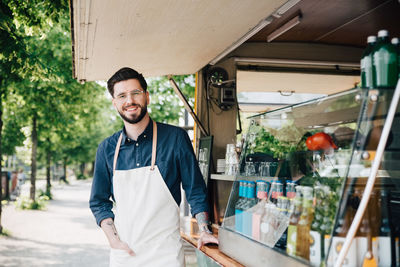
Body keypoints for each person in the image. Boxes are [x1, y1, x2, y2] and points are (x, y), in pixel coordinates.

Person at [89, 67, 218, 266]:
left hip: (166, 255)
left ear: (146, 96)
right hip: (125, 255)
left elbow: (196, 190)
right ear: (115, 103)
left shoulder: (176, 138)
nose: (129, 101)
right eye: (122, 95)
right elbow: (99, 202)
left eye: (135, 93)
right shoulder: (107, 148)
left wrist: (204, 230)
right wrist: (114, 240)